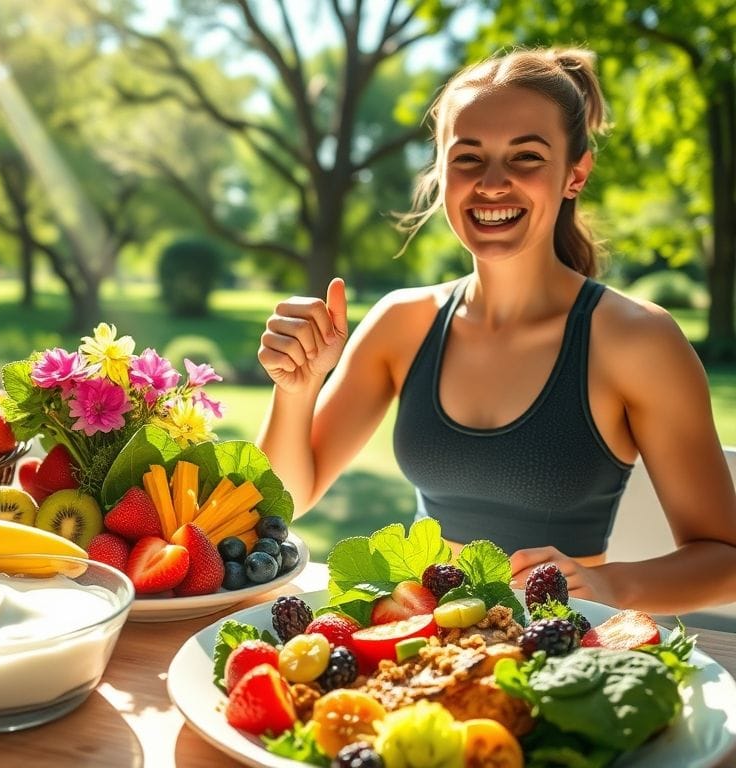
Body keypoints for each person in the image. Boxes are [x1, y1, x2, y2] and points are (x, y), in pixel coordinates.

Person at [255, 47, 736, 615]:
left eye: (527, 157)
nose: (492, 183)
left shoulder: (637, 341)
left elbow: (725, 558)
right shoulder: (402, 322)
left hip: (558, 660)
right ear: (441, 173)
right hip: (421, 648)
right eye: (468, 158)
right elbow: (285, 501)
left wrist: (611, 587)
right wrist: (298, 387)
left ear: (575, 174)